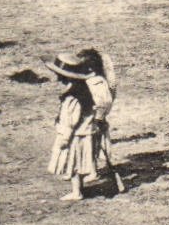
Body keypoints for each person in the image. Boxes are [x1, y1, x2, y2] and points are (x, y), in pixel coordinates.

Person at [46, 50, 122, 200]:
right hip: (86, 131)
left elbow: (71, 121)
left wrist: (64, 138)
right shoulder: (86, 89)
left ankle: (77, 192)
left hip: (76, 135)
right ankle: (80, 188)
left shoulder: (72, 96)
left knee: (74, 164)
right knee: (79, 162)